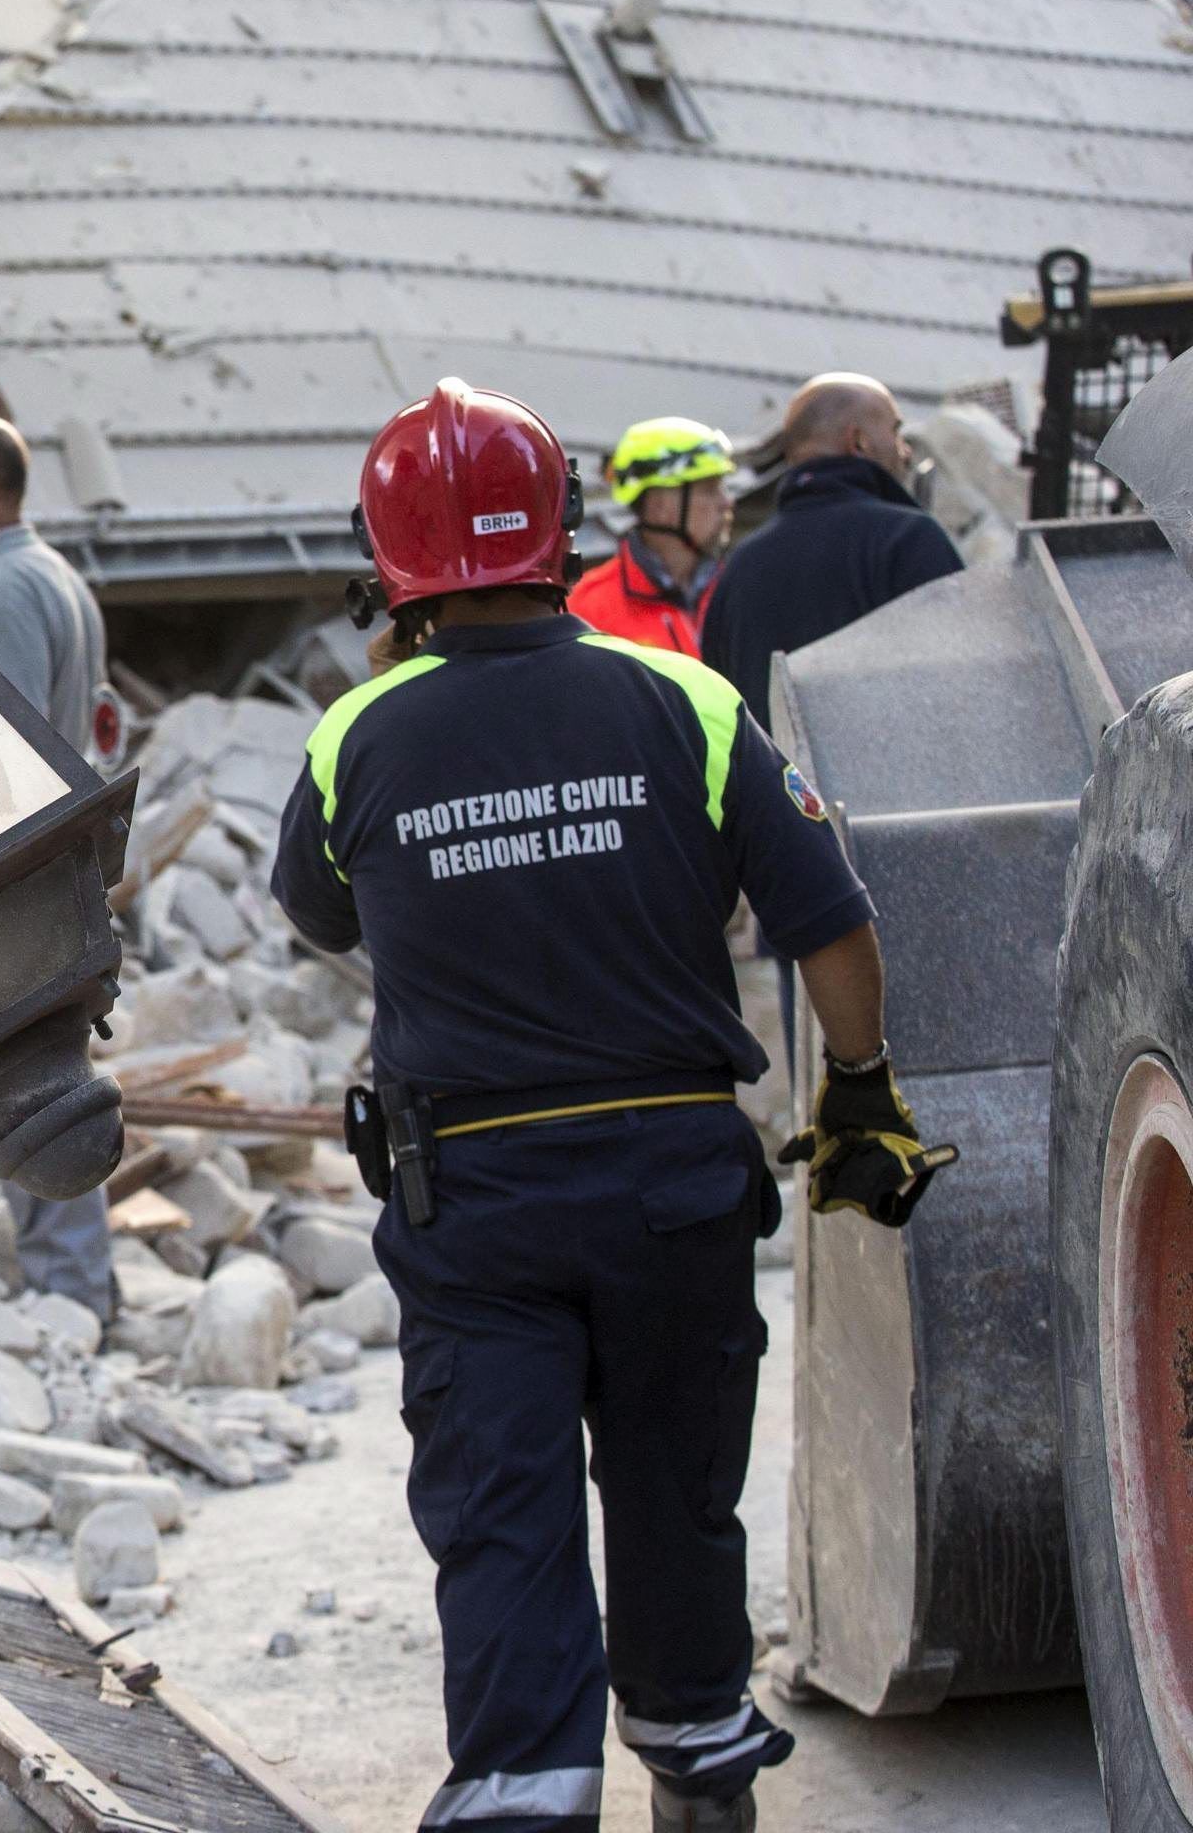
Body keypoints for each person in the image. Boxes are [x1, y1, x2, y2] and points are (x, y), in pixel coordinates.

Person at [270, 379, 953, 1833]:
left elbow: (322, 917)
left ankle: (526, 1790)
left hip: (477, 1201)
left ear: (390, 561)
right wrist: (864, 1089)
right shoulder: (690, 698)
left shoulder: (355, 738)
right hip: (673, 1183)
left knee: (503, 1507)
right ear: (559, 530)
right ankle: (698, 1759)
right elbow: (831, 919)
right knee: (674, 1489)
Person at [0, 412, 117, 1317]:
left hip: (17, 891)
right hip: (50, 882)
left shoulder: (1, 593)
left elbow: (9, 753)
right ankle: (76, 1291)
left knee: (27, 1098)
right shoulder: (53, 576)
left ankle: (68, 1304)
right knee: (49, 1094)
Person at [698, 373, 962, 717]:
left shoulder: (739, 569)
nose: (906, 452)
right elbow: (962, 684)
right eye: (896, 433)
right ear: (860, 442)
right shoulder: (909, 541)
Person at [567, 416, 737, 655]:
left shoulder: (742, 589)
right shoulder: (587, 610)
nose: (726, 502)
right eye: (709, 489)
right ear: (660, 506)